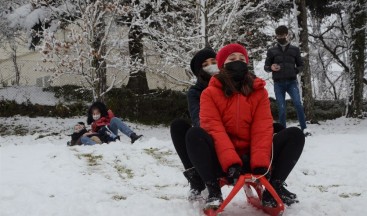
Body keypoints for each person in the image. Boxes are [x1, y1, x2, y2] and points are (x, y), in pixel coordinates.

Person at [186, 43, 305, 210]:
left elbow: (262, 128)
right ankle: (213, 190)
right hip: (223, 162)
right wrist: (231, 164)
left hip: (252, 157)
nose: (238, 61)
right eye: (232, 59)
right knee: (194, 134)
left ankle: (275, 187)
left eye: (242, 58)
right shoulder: (209, 93)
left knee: (294, 134)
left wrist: (260, 164)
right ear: (222, 65)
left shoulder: (259, 91)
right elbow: (214, 129)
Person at [170, 48, 219, 201]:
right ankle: (195, 179)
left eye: (214, 62)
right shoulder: (195, 92)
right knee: (179, 126)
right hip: (207, 137)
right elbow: (198, 118)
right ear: (199, 71)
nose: (211, 66)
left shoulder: (230, 85)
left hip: (230, 135)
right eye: (205, 64)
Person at [264, 25, 309, 136]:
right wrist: (271, 68)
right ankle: (283, 132)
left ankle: (304, 129)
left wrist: (295, 71)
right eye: (279, 35)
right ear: (276, 36)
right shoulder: (271, 51)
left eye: (283, 35)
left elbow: (301, 65)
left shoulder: (295, 49)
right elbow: (266, 67)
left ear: (287, 35)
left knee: (298, 104)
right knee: (282, 108)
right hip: (278, 83)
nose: (281, 37)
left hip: (291, 82)